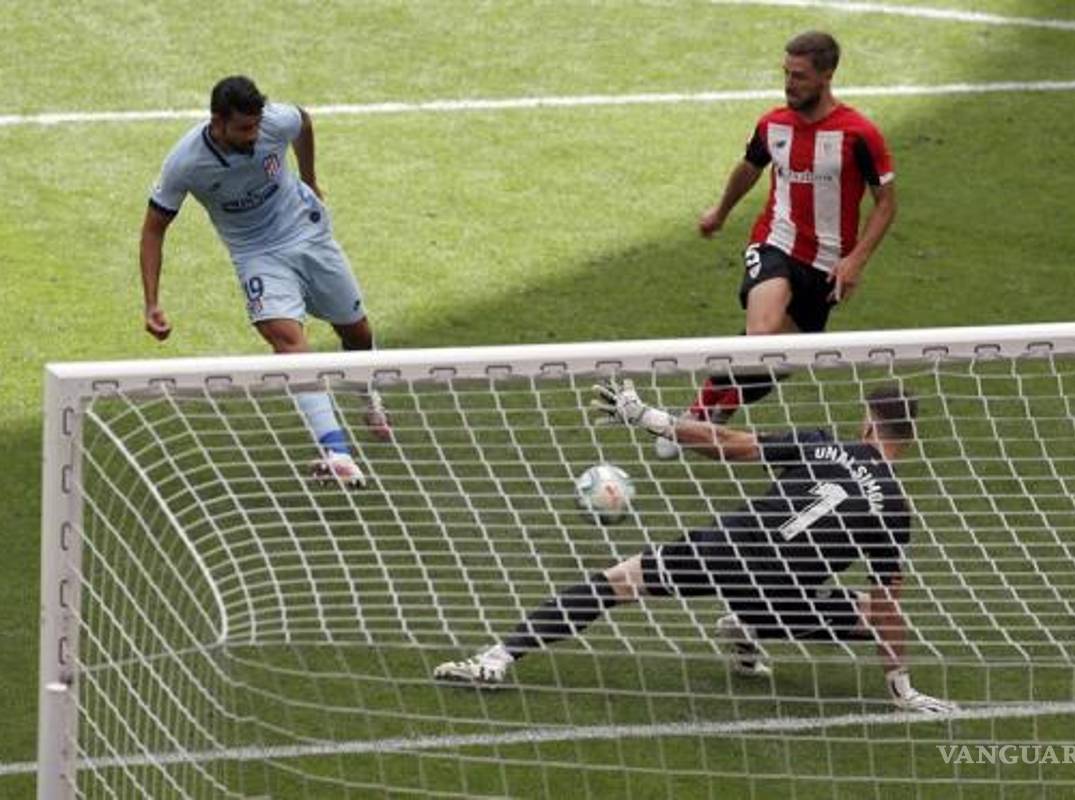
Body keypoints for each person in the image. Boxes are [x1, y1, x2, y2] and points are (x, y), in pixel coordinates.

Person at [434, 380, 957, 715]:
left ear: (867, 422)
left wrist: (649, 418)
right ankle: (750, 624)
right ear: (905, 439)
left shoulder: (824, 442)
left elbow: (730, 445)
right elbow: (889, 607)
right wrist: (901, 687)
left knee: (617, 583)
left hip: (727, 546)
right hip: (780, 590)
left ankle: (496, 659)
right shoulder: (894, 506)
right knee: (867, 608)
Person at [657, 31, 897, 459]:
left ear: (827, 75)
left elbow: (886, 205)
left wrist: (856, 261)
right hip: (775, 243)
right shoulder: (773, 124)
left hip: (826, 264)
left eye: (800, 76)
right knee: (762, 334)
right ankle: (698, 414)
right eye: (786, 73)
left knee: (777, 360)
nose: (789, 84)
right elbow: (750, 167)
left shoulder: (859, 135)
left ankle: (713, 406)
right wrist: (721, 211)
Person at [140, 75, 389, 487]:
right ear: (216, 122)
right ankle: (337, 452)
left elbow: (304, 122)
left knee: (357, 332)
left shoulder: (274, 122)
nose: (253, 135)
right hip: (256, 255)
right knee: (287, 340)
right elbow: (153, 229)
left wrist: (309, 177)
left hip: (307, 233)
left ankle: (368, 396)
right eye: (243, 128)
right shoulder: (186, 163)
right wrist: (151, 302)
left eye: (256, 125)